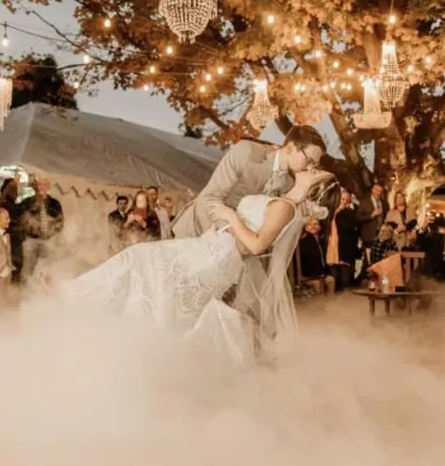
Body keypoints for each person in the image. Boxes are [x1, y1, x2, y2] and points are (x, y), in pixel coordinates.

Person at [60, 169, 338, 366]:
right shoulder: (282, 199)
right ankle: (104, 328)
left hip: (215, 257)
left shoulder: (286, 207)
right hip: (208, 248)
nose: (311, 168)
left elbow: (255, 246)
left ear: (315, 189)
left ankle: (81, 303)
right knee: (145, 269)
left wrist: (230, 216)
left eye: (316, 173)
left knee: (145, 268)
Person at [171, 124, 326, 239]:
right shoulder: (247, 152)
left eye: (314, 164)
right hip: (196, 231)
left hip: (238, 248)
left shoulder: (290, 184)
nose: (310, 167)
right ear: (291, 147)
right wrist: (235, 235)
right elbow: (211, 198)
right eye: (309, 161)